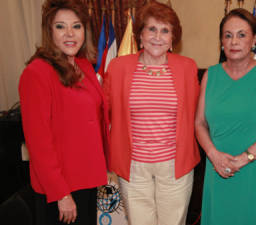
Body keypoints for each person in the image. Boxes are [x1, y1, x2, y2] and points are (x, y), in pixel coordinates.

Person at [103, 2, 200, 225]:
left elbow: (198, 111)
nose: (158, 36)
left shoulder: (187, 67)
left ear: (173, 37)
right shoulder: (118, 67)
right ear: (140, 34)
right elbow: (102, 111)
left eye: (165, 30)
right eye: (152, 29)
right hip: (134, 166)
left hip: (175, 165)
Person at [18, 0, 109, 224]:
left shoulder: (85, 66)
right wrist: (60, 193)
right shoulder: (37, 73)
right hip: (61, 189)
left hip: (87, 179)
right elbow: (38, 142)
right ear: (49, 31)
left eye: (76, 26)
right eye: (60, 26)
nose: (70, 33)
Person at [195, 8, 256, 225]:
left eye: (241, 35)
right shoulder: (210, 75)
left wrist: (244, 158)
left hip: (253, 169)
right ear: (221, 42)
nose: (234, 41)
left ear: (254, 40)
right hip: (217, 169)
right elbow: (199, 123)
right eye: (228, 35)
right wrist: (214, 155)